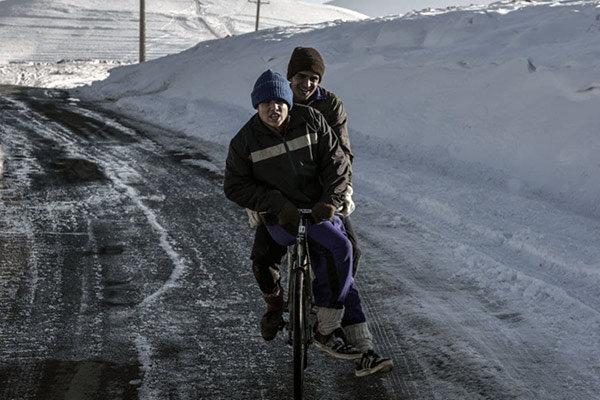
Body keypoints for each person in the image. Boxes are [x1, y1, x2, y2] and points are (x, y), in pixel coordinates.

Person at [224, 69, 393, 376]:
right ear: (256, 105)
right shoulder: (244, 140)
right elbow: (234, 185)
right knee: (263, 261)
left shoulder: (313, 120)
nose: (273, 108)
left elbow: (337, 162)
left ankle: (328, 326)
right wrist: (274, 203)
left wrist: (331, 199)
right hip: (279, 217)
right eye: (265, 103)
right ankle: (280, 308)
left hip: (316, 209)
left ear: (288, 102)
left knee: (342, 249)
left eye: (279, 102)